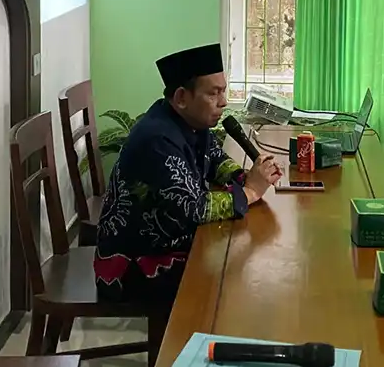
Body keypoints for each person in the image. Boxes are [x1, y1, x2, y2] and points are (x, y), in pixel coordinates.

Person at [93, 44, 281, 363]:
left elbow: (213, 158)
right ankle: (191, 354)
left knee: (241, 265)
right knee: (236, 284)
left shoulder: (187, 121)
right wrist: (250, 191)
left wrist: (244, 176)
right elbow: (194, 209)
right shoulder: (157, 139)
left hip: (168, 243)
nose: (223, 102)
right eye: (214, 93)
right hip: (135, 263)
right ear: (182, 97)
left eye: (224, 91)